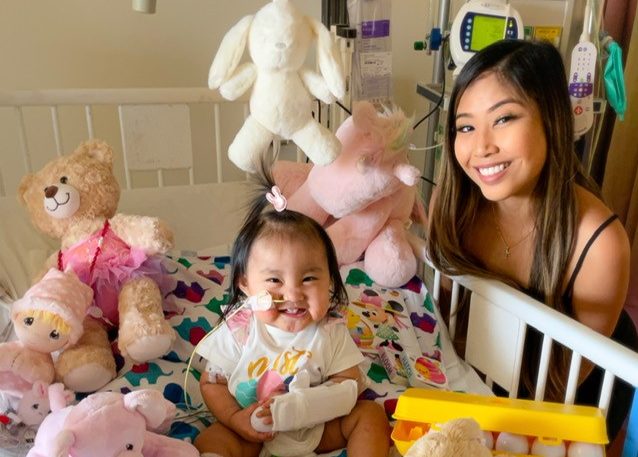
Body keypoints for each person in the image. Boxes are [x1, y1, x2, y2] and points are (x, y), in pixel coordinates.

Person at [426, 39, 637, 440]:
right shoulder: (453, 205)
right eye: (466, 127)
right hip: (480, 376)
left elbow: (559, 389)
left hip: (567, 394)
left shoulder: (599, 243)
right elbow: (444, 324)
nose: (482, 147)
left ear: (551, 120)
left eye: (503, 119)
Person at [194, 167, 390, 457]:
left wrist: (303, 407)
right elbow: (212, 383)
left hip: (320, 429)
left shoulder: (329, 330)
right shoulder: (240, 328)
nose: (293, 294)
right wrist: (237, 419)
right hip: (254, 433)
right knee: (210, 441)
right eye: (274, 280)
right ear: (246, 285)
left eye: (309, 279)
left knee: (370, 415)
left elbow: (349, 383)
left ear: (330, 281)